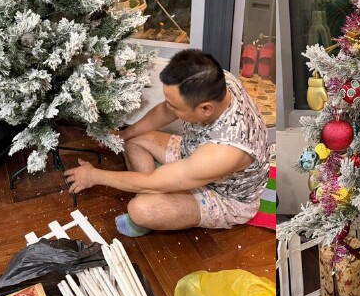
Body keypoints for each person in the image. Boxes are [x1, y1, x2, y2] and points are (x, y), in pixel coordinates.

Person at [64, 49, 269, 237]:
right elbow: (164, 111)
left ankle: (164, 185)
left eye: (175, 106)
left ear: (206, 109)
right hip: (193, 152)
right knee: (134, 140)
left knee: (140, 209)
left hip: (223, 195)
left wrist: (94, 176)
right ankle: (167, 181)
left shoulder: (225, 151)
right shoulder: (218, 81)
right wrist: (124, 134)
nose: (169, 108)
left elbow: (154, 182)